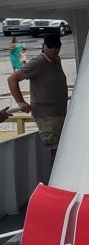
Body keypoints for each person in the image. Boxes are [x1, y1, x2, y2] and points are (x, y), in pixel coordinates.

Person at [7, 33, 68, 164]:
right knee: (56, 153)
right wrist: (20, 102)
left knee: (64, 151)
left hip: (60, 114)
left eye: (57, 47)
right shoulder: (38, 62)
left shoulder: (57, 60)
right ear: (43, 46)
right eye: (51, 47)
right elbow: (12, 79)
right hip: (47, 117)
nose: (54, 50)